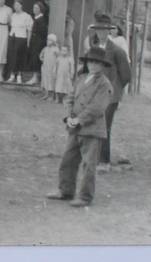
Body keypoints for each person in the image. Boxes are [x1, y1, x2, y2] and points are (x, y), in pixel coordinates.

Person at [46, 47, 113, 207]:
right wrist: (69, 116)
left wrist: (79, 120)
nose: (94, 65)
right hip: (74, 126)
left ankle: (85, 196)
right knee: (68, 159)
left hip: (91, 129)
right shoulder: (81, 79)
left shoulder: (105, 84)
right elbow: (70, 98)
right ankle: (65, 190)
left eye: (97, 62)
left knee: (89, 164)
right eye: (91, 61)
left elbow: (97, 107)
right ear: (87, 62)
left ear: (102, 65)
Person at [87, 13, 131, 173]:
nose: (101, 32)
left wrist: (114, 89)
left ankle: (104, 161)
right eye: (98, 29)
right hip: (95, 93)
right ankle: (93, 157)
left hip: (110, 95)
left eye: (104, 29)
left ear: (110, 30)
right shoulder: (93, 48)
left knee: (104, 125)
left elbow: (126, 75)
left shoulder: (117, 50)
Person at [6, 0, 33, 83]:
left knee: (20, 57)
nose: (16, 7)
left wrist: (28, 41)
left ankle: (19, 75)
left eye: (18, 5)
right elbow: (10, 25)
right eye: (15, 5)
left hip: (21, 38)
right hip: (12, 37)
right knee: (12, 56)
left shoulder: (26, 16)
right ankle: (12, 75)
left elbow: (29, 29)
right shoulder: (13, 15)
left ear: (21, 6)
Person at [27, 1, 49, 84]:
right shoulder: (35, 17)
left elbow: (43, 31)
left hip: (38, 41)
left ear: (41, 9)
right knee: (33, 58)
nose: (35, 10)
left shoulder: (41, 19)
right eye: (34, 8)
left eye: (37, 8)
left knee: (36, 58)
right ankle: (33, 76)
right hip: (34, 39)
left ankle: (35, 77)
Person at [39, 34, 60, 101]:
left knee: (51, 81)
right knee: (46, 80)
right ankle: (46, 94)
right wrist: (42, 59)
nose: (48, 41)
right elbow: (41, 55)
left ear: (54, 42)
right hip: (45, 67)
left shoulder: (56, 50)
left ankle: (51, 96)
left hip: (52, 68)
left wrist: (56, 64)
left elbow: (59, 57)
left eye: (50, 40)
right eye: (48, 40)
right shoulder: (45, 49)